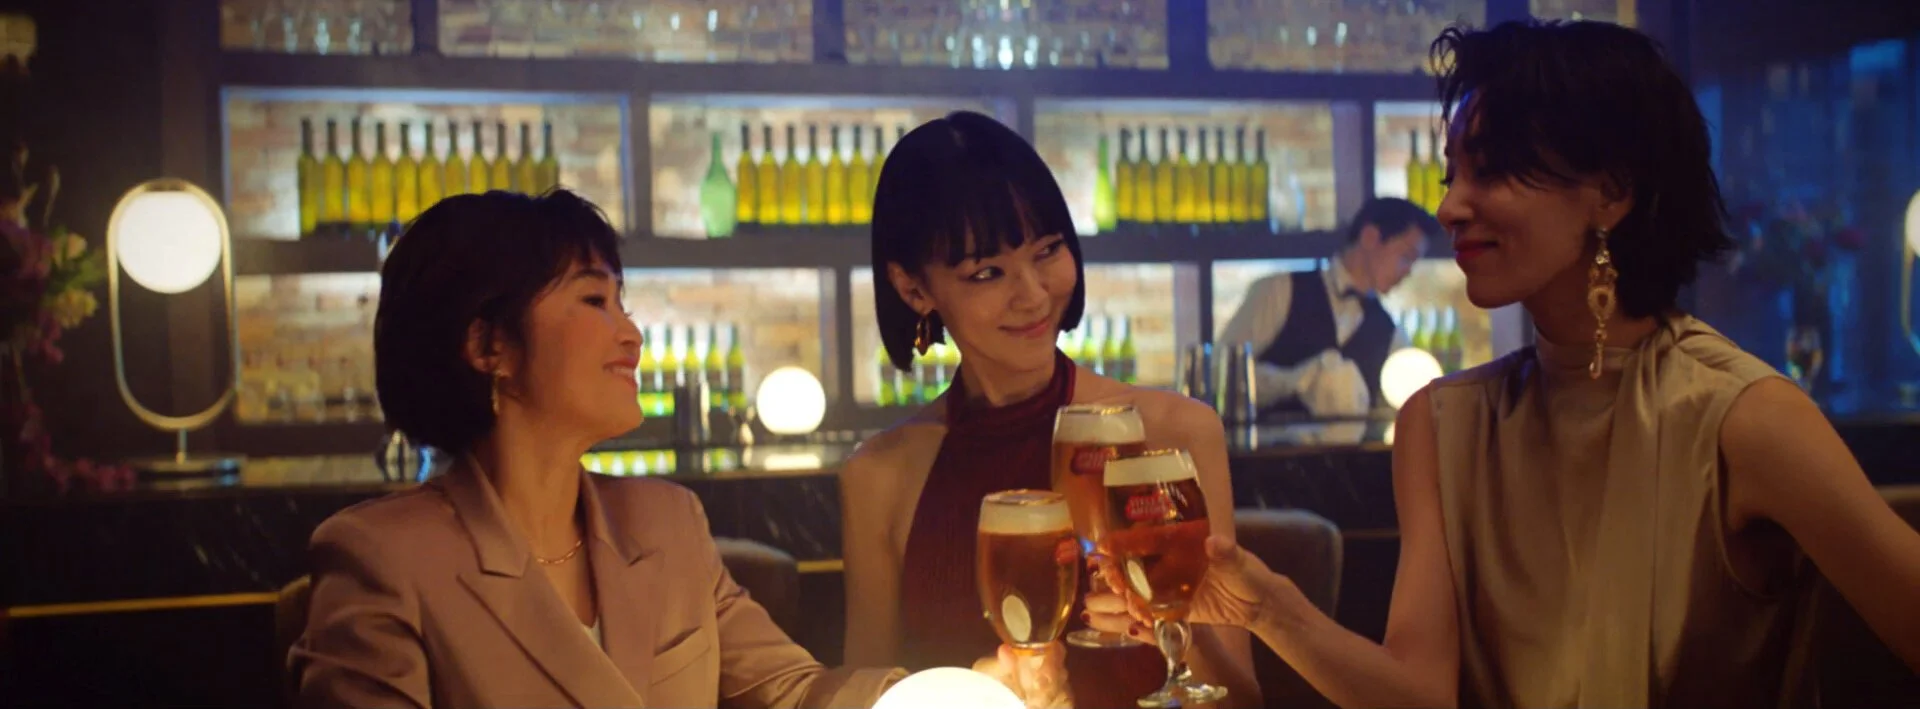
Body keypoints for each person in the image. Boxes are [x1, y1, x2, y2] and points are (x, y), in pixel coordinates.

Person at [1090, 20, 1920, 708]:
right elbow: (1419, 695)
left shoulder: (1742, 416)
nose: (1450, 205)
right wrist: (1267, 606)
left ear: (1611, 191)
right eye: (1452, 173)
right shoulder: (1441, 423)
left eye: (1489, 171)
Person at [288, 190, 916, 708]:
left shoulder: (668, 523)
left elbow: (792, 692)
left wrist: (939, 692)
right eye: (594, 301)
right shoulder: (382, 558)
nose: (632, 335)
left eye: (623, 304)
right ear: (488, 347)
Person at [839, 110, 1262, 706]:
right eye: (988, 272)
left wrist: (1175, 629)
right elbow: (863, 696)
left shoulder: (1174, 434)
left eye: (1048, 251)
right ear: (914, 289)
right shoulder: (879, 475)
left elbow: (1241, 700)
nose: (1034, 294)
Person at [1216, 197, 1440, 418]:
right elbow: (1223, 372)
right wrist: (1295, 380)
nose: (1408, 272)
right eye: (1406, 257)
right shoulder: (1279, 290)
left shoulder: (1392, 335)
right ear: (1370, 237)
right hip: (1265, 441)